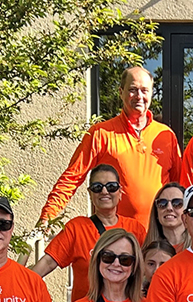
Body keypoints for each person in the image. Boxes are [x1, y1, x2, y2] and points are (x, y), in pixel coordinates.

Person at [37, 67, 181, 230]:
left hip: (158, 236)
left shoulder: (166, 135)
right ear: (121, 92)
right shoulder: (101, 133)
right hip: (115, 237)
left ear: (151, 94)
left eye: (144, 90)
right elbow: (73, 176)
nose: (139, 96)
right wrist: (47, 216)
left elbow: (178, 185)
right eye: (133, 90)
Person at [32, 164, 147, 302]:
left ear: (120, 191)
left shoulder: (135, 229)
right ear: (90, 192)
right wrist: (19, 289)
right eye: (97, 187)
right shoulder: (77, 228)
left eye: (111, 186)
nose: (104, 191)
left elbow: (147, 270)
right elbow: (48, 262)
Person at [146, 181, 189, 252]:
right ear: (156, 212)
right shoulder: (146, 253)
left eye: (177, 203)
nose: (169, 208)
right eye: (162, 203)